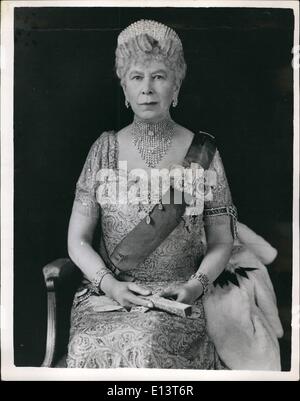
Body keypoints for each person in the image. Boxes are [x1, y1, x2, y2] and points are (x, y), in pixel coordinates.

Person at [66, 19, 283, 369]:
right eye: (137, 77)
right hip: (109, 296)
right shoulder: (103, 150)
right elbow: (76, 240)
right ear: (124, 87)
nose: (147, 89)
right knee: (90, 350)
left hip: (179, 296)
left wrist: (195, 287)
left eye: (159, 76)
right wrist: (111, 287)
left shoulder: (203, 153)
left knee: (148, 346)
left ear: (176, 86)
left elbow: (221, 242)